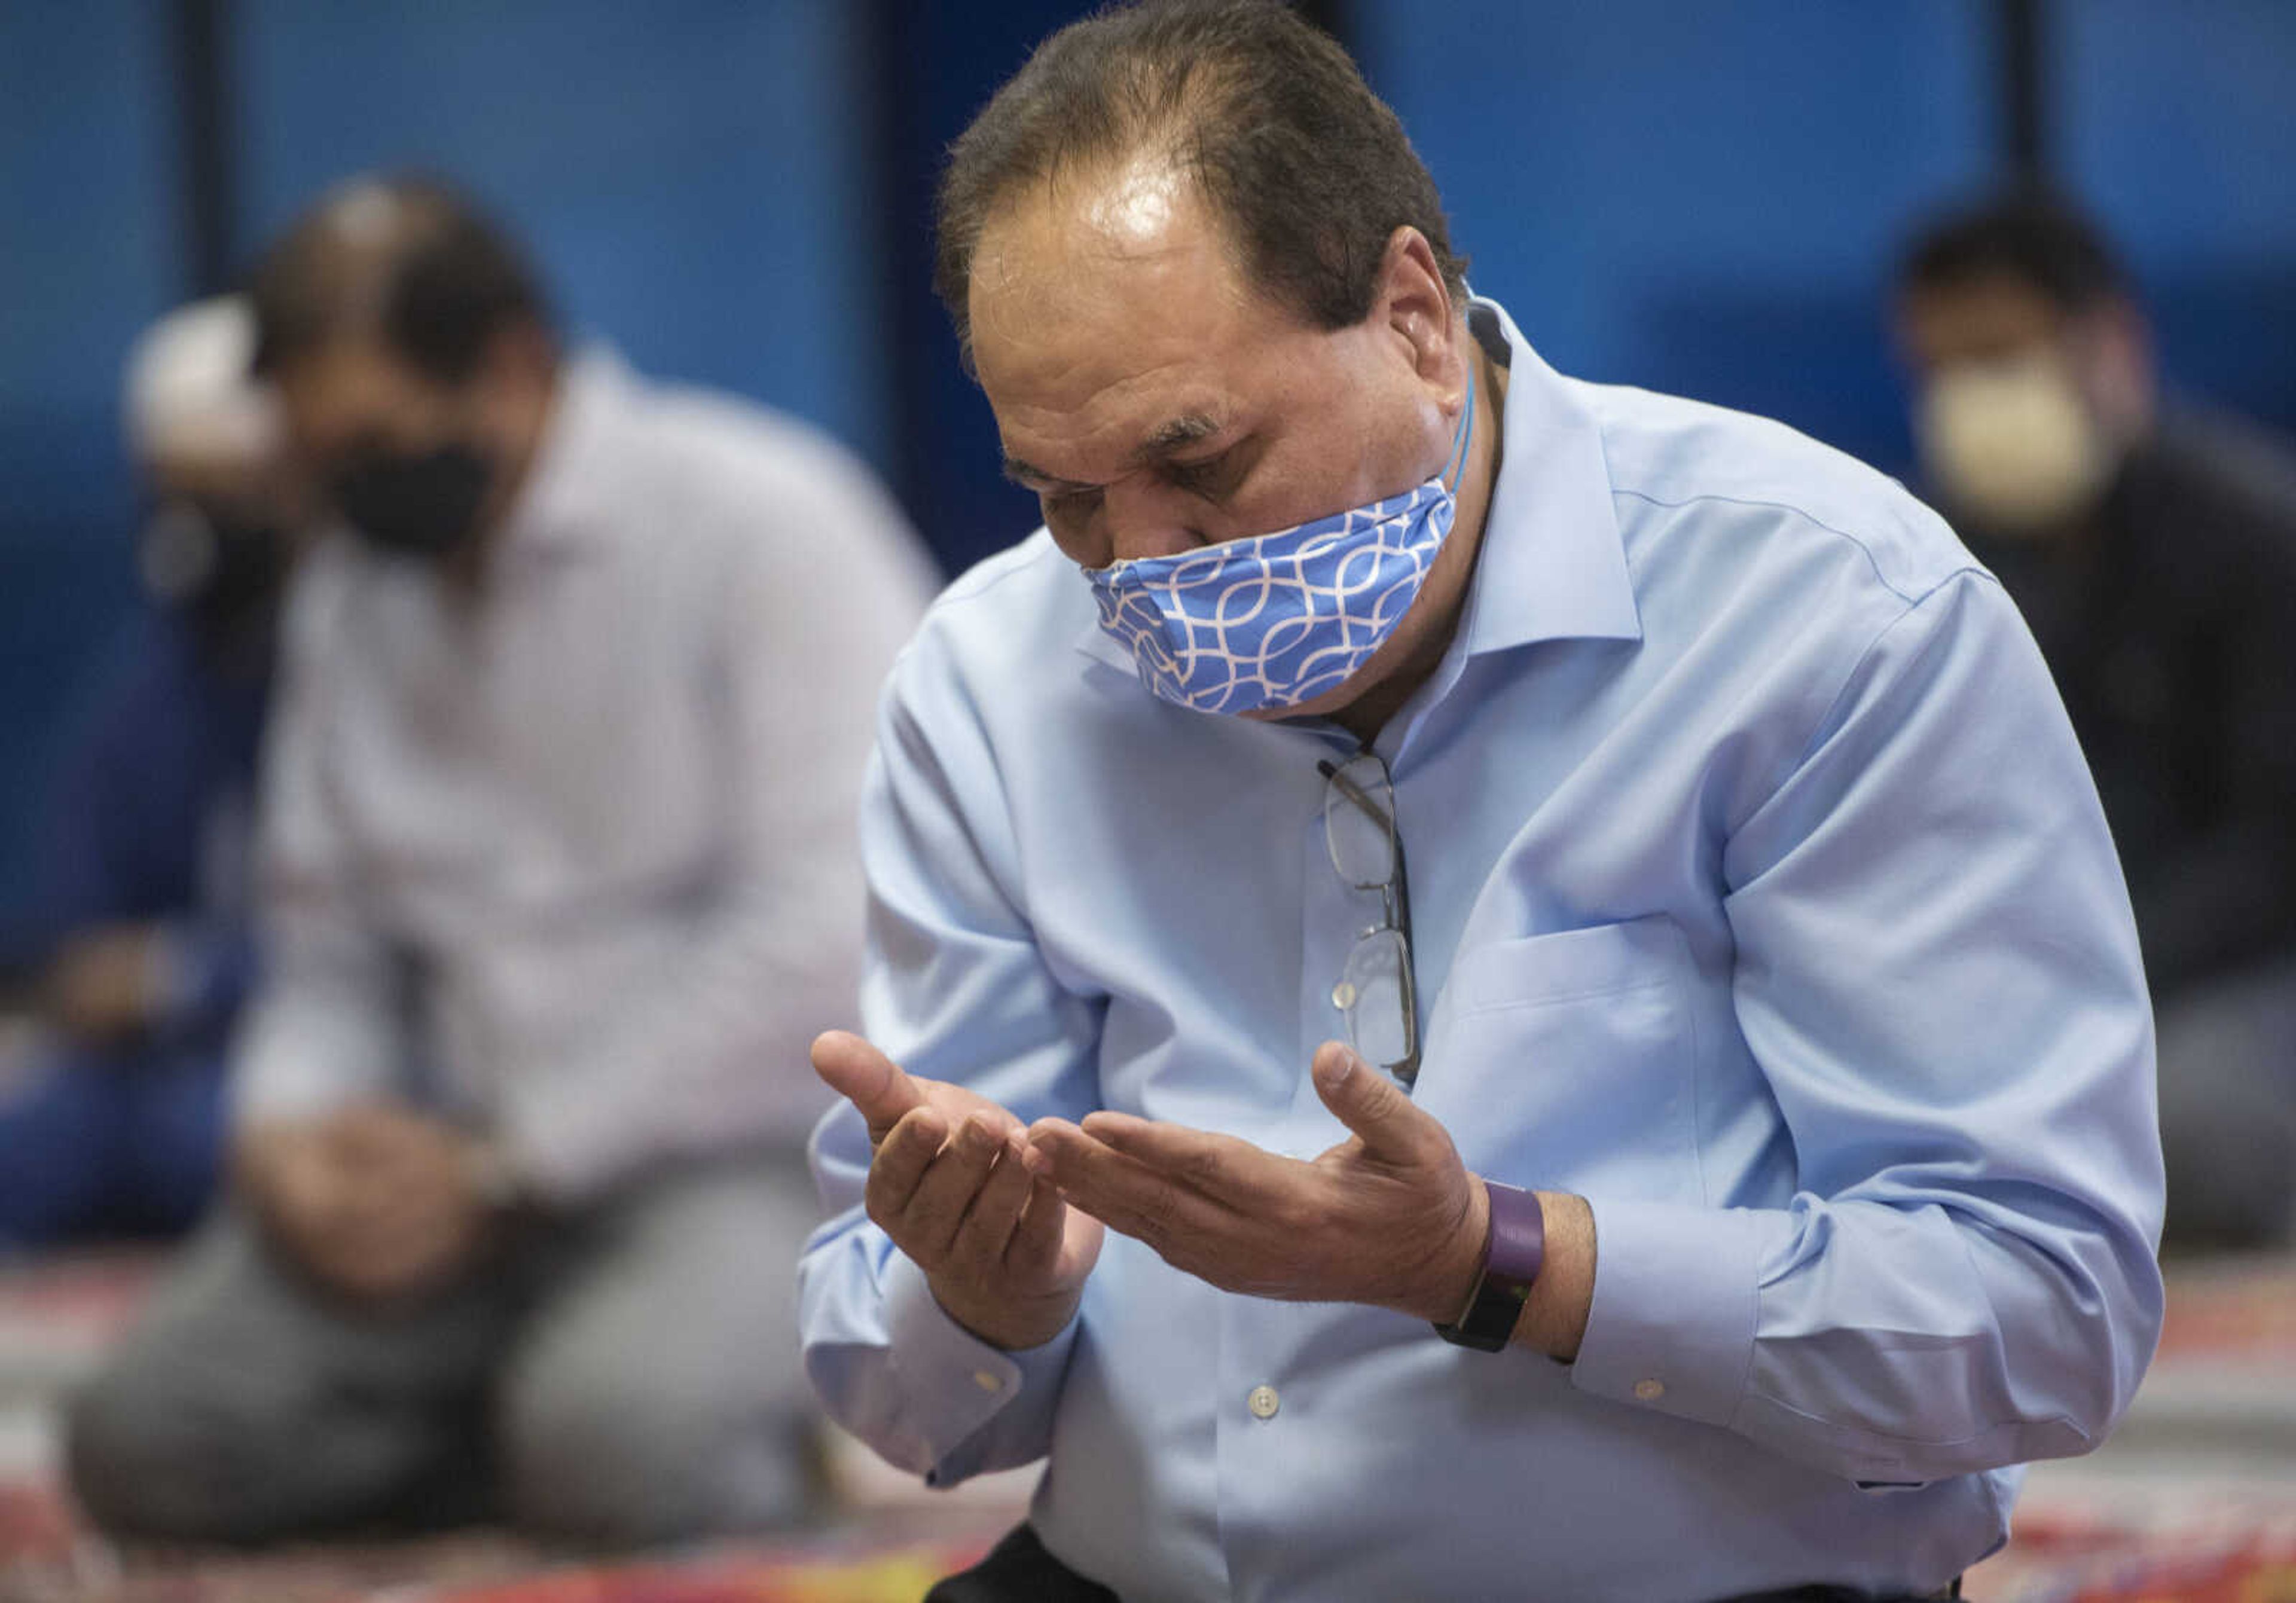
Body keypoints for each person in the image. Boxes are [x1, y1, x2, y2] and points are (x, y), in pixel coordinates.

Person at [796, 6, 2164, 1599]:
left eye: (1205, 461)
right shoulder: (996, 672)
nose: (1145, 571)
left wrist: (1505, 1262)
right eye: (1068, 498)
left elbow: (2044, 1318)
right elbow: (894, 1397)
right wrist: (992, 1297)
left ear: (1415, 321)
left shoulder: (1822, 615)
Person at [68, 177, 938, 1546]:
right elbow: (328, 949)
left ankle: (619, 1433)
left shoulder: (762, 522)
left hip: (748, 1156)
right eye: (310, 456)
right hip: (450, 1170)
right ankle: (537, 1423)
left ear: (514, 367)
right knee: (142, 1443)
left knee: (619, 1446)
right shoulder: (356, 594)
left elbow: (835, 935)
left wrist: (517, 1161)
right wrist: (292, 1134)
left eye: (365, 443)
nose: (331, 494)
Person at [1897, 191, 2296, 1248]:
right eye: (1943, 372)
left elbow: (2274, 852)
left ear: (2111, 344)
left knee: (2176, 1123)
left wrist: (2094, 970)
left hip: (2230, 980)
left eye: (2002, 361)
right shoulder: (1924, 559)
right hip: (2024, 985)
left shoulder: (2255, 533)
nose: (1971, 400)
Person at [0, 297, 301, 1251]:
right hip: (148, 1072)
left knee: (208, 1134)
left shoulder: (371, 673)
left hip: (311, 1052)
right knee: (42, 1135)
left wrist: (181, 976)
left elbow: (385, 942)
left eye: (232, 490)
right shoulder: (156, 685)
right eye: (176, 491)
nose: (202, 527)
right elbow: (78, 931)